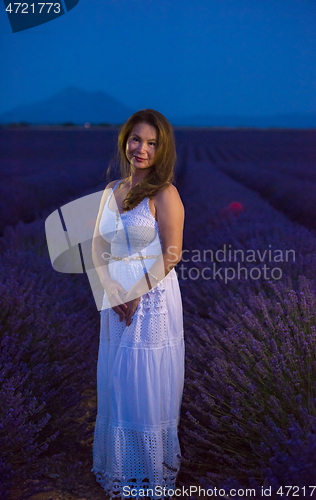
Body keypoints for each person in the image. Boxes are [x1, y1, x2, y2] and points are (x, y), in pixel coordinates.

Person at [90, 109, 185, 500]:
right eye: (135, 139)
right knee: (117, 378)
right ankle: (120, 466)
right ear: (125, 140)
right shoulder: (113, 190)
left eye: (151, 143)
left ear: (162, 149)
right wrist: (111, 288)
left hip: (152, 297)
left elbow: (172, 253)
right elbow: (96, 247)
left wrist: (135, 292)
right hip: (115, 297)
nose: (141, 148)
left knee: (143, 381)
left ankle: (147, 474)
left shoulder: (165, 193)